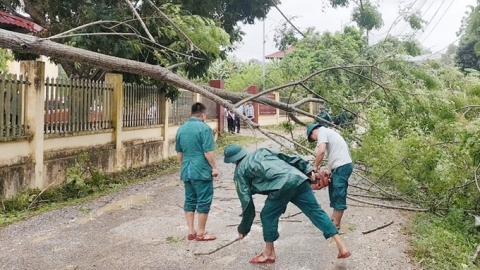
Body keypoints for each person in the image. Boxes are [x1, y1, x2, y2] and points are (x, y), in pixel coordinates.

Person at [223, 143, 351, 264]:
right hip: (298, 179)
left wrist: (244, 228)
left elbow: (246, 203)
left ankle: (269, 253)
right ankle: (342, 247)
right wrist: (307, 169)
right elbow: (289, 158)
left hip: (282, 186)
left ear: (232, 161)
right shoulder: (262, 151)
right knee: (316, 212)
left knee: (267, 215)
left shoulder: (239, 172)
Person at [175, 102, 219, 241]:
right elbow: (208, 152)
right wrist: (214, 167)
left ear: (191, 114)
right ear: (203, 115)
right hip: (201, 170)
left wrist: (184, 166)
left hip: (187, 170)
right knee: (204, 200)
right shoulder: (204, 129)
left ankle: (191, 231)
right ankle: (201, 232)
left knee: (190, 199)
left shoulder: (181, 129)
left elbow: (179, 153)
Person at [306, 123, 354, 230]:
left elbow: (321, 151)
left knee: (338, 193)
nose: (314, 140)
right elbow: (332, 154)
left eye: (312, 138)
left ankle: (335, 225)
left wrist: (314, 167)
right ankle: (334, 220)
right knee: (334, 193)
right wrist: (329, 171)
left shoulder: (322, 132)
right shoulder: (328, 133)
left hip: (342, 165)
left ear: (313, 132)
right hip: (338, 166)